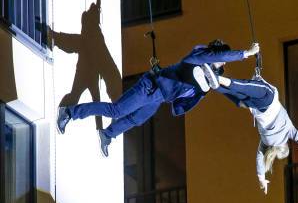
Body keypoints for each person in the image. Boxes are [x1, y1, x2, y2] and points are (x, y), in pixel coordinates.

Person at [57, 40, 260, 156]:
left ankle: (108, 134)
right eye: (219, 59)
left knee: (135, 119)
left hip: (159, 97)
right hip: (150, 86)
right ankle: (69, 112)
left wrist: (243, 102)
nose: (221, 64)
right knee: (116, 110)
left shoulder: (209, 79)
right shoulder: (197, 58)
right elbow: (215, 58)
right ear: (213, 56)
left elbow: (223, 88)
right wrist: (247, 53)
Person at [214, 75, 298, 194]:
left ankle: (219, 79)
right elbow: (259, 157)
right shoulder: (265, 143)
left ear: (285, 145)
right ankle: (215, 85)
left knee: (244, 87)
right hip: (257, 109)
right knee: (241, 100)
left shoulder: (289, 132)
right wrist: (261, 178)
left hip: (268, 100)